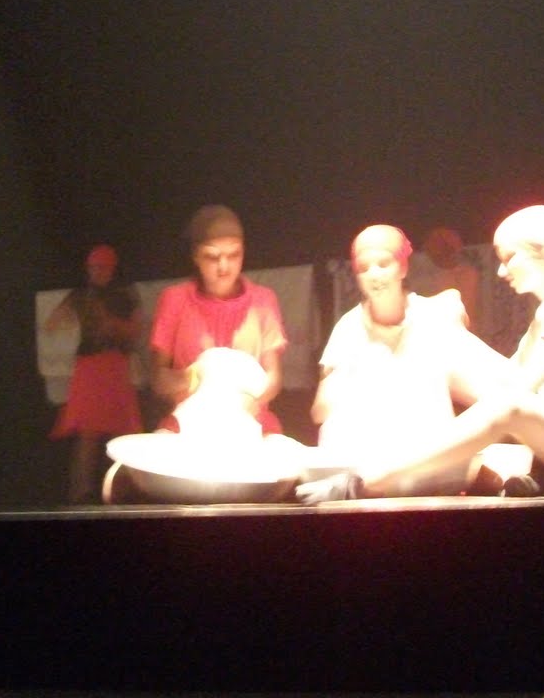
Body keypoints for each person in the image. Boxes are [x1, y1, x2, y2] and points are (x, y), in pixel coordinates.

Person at [299, 206, 544, 501]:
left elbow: (516, 393)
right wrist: (446, 335)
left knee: (507, 406)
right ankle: (394, 467)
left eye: (510, 257)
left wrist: (443, 332)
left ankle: (368, 481)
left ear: (543, 252)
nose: (501, 270)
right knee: (489, 424)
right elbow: (496, 379)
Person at [312, 225, 512, 492]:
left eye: (384, 264)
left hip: (427, 462)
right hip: (361, 464)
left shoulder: (435, 315)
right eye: (364, 268)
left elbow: (491, 387)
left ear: (403, 267)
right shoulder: (348, 329)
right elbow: (320, 411)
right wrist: (348, 378)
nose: (374, 274)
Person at [149, 205, 288, 435]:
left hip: (250, 422)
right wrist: (194, 377)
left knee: (284, 456)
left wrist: (249, 404)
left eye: (234, 255)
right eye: (212, 257)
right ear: (196, 256)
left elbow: (273, 376)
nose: (224, 267)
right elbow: (158, 379)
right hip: (188, 424)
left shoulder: (263, 300)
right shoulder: (175, 300)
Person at [44, 246, 142, 503]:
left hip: (115, 367)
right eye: (92, 267)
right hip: (88, 369)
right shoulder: (79, 295)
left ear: (112, 268)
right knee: (87, 432)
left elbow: (135, 332)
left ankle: (123, 494)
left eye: (101, 267)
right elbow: (52, 324)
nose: (96, 272)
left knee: (121, 432)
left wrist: (114, 325)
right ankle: (80, 496)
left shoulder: (126, 295)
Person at [406, 226, 483, 335]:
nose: (445, 247)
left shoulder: (470, 273)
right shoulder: (417, 275)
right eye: (437, 242)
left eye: (447, 243)